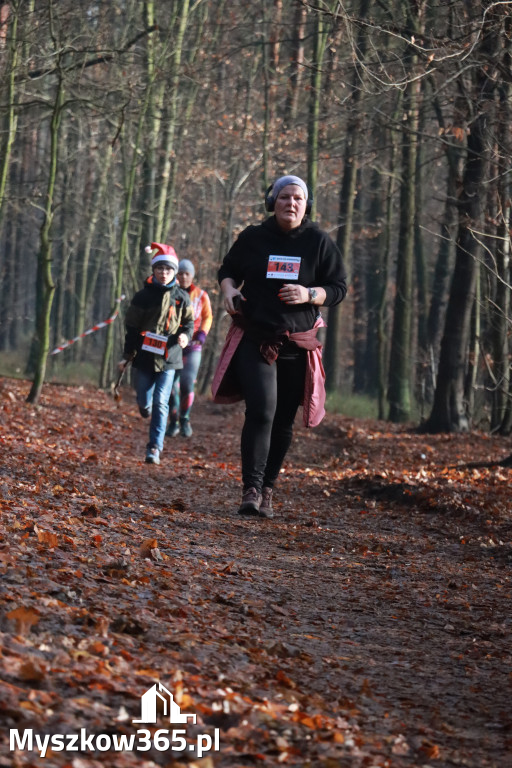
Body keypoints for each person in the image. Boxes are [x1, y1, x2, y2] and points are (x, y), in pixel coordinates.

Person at [212, 174, 347, 518]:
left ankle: (268, 487)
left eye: (298, 199)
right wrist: (229, 291)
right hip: (256, 337)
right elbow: (227, 271)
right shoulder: (254, 237)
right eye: (284, 197)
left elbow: (338, 287)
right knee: (261, 410)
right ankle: (251, 490)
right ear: (273, 201)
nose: (291, 203)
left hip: (297, 345)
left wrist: (309, 294)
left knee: (283, 420)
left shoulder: (318, 242)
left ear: (307, 205)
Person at [118, 242, 194, 465]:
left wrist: (185, 336)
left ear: (175, 272)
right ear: (153, 270)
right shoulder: (142, 296)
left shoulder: (181, 297)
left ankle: (154, 448)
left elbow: (189, 323)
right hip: (144, 358)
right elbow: (131, 328)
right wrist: (127, 355)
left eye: (168, 269)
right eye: (160, 268)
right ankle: (145, 407)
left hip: (170, 358)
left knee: (162, 402)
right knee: (144, 401)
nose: (164, 273)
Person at [166, 259, 213, 438]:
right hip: (173, 345)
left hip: (193, 346)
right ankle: (173, 421)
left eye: (187, 273)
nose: (183, 277)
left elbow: (208, 317)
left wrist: (202, 334)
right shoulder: (170, 293)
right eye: (180, 273)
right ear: (176, 275)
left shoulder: (201, 295)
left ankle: (184, 419)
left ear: (192, 276)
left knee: (186, 383)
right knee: (171, 385)